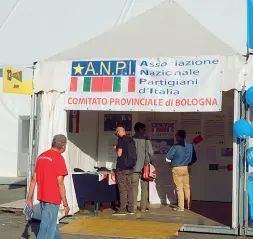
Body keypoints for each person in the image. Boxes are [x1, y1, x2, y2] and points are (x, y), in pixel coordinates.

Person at [26, 134, 69, 239]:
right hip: (52, 199)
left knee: (52, 224)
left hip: (43, 197)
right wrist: (65, 203)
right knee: (47, 227)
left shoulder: (41, 156)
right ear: (63, 147)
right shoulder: (58, 158)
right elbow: (60, 183)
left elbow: (34, 179)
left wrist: (29, 199)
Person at [166, 130, 193, 212]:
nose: (175, 137)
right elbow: (192, 158)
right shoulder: (190, 146)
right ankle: (189, 205)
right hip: (186, 168)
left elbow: (168, 158)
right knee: (187, 187)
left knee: (179, 188)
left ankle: (181, 207)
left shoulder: (175, 146)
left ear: (179, 136)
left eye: (176, 135)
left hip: (177, 168)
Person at [113, 126, 136, 215]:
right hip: (130, 167)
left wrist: (116, 148)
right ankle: (131, 209)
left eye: (116, 133)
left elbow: (119, 154)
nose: (116, 134)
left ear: (118, 132)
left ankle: (122, 209)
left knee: (122, 189)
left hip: (122, 167)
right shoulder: (131, 140)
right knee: (130, 188)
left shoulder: (121, 140)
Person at [132, 122, 154, 212]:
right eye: (144, 129)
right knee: (144, 188)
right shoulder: (146, 140)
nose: (145, 131)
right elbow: (151, 153)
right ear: (140, 130)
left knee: (133, 188)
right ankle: (143, 208)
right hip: (144, 168)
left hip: (133, 167)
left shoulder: (131, 139)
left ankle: (133, 207)